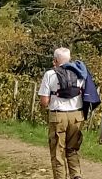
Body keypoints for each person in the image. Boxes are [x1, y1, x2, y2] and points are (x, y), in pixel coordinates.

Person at [38, 48, 86, 179]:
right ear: (69, 59)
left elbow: (44, 101)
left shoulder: (50, 74)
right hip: (77, 115)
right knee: (72, 150)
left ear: (55, 60)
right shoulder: (80, 73)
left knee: (58, 153)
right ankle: (76, 175)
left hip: (58, 116)